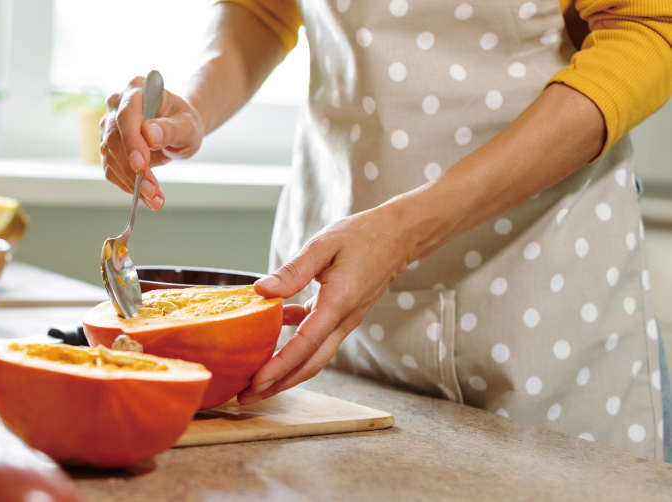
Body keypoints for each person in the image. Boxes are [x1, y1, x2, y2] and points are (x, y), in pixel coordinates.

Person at [98, 0, 672, 460]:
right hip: (333, 292)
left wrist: (403, 229)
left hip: (538, 289)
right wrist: (194, 105)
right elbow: (263, 10)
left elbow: (649, 29)